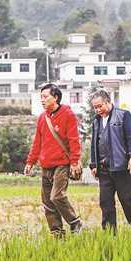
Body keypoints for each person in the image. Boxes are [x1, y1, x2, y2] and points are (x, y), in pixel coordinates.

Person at [24, 83, 83, 236]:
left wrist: (74, 162)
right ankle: (57, 234)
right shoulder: (42, 118)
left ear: (55, 97)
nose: (42, 100)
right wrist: (30, 162)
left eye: (45, 97)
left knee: (57, 196)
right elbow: (37, 142)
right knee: (48, 202)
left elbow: (74, 140)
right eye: (41, 97)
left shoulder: (68, 115)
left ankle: (74, 222)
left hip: (62, 164)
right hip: (46, 165)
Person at [89, 88, 131, 232]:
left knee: (127, 199)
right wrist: (94, 164)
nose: (98, 110)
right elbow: (94, 143)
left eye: (100, 106)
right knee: (105, 202)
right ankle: (110, 234)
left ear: (108, 102)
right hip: (104, 169)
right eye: (95, 107)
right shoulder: (96, 121)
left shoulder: (123, 115)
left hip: (122, 167)